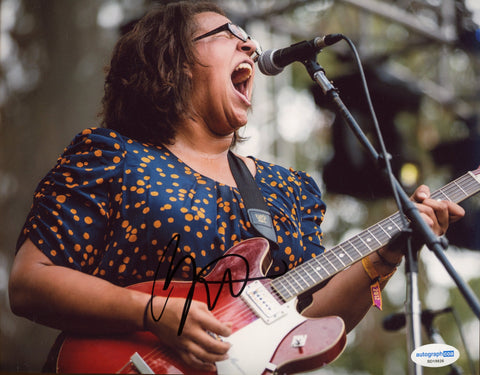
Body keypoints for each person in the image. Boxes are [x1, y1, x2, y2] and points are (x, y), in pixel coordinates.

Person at [9, 1, 465, 373]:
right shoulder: (114, 155)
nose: (250, 44)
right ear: (173, 60)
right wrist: (152, 311)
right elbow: (31, 283)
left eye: (249, 38)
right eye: (228, 34)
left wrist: (382, 258)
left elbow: (309, 322)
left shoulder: (284, 188)